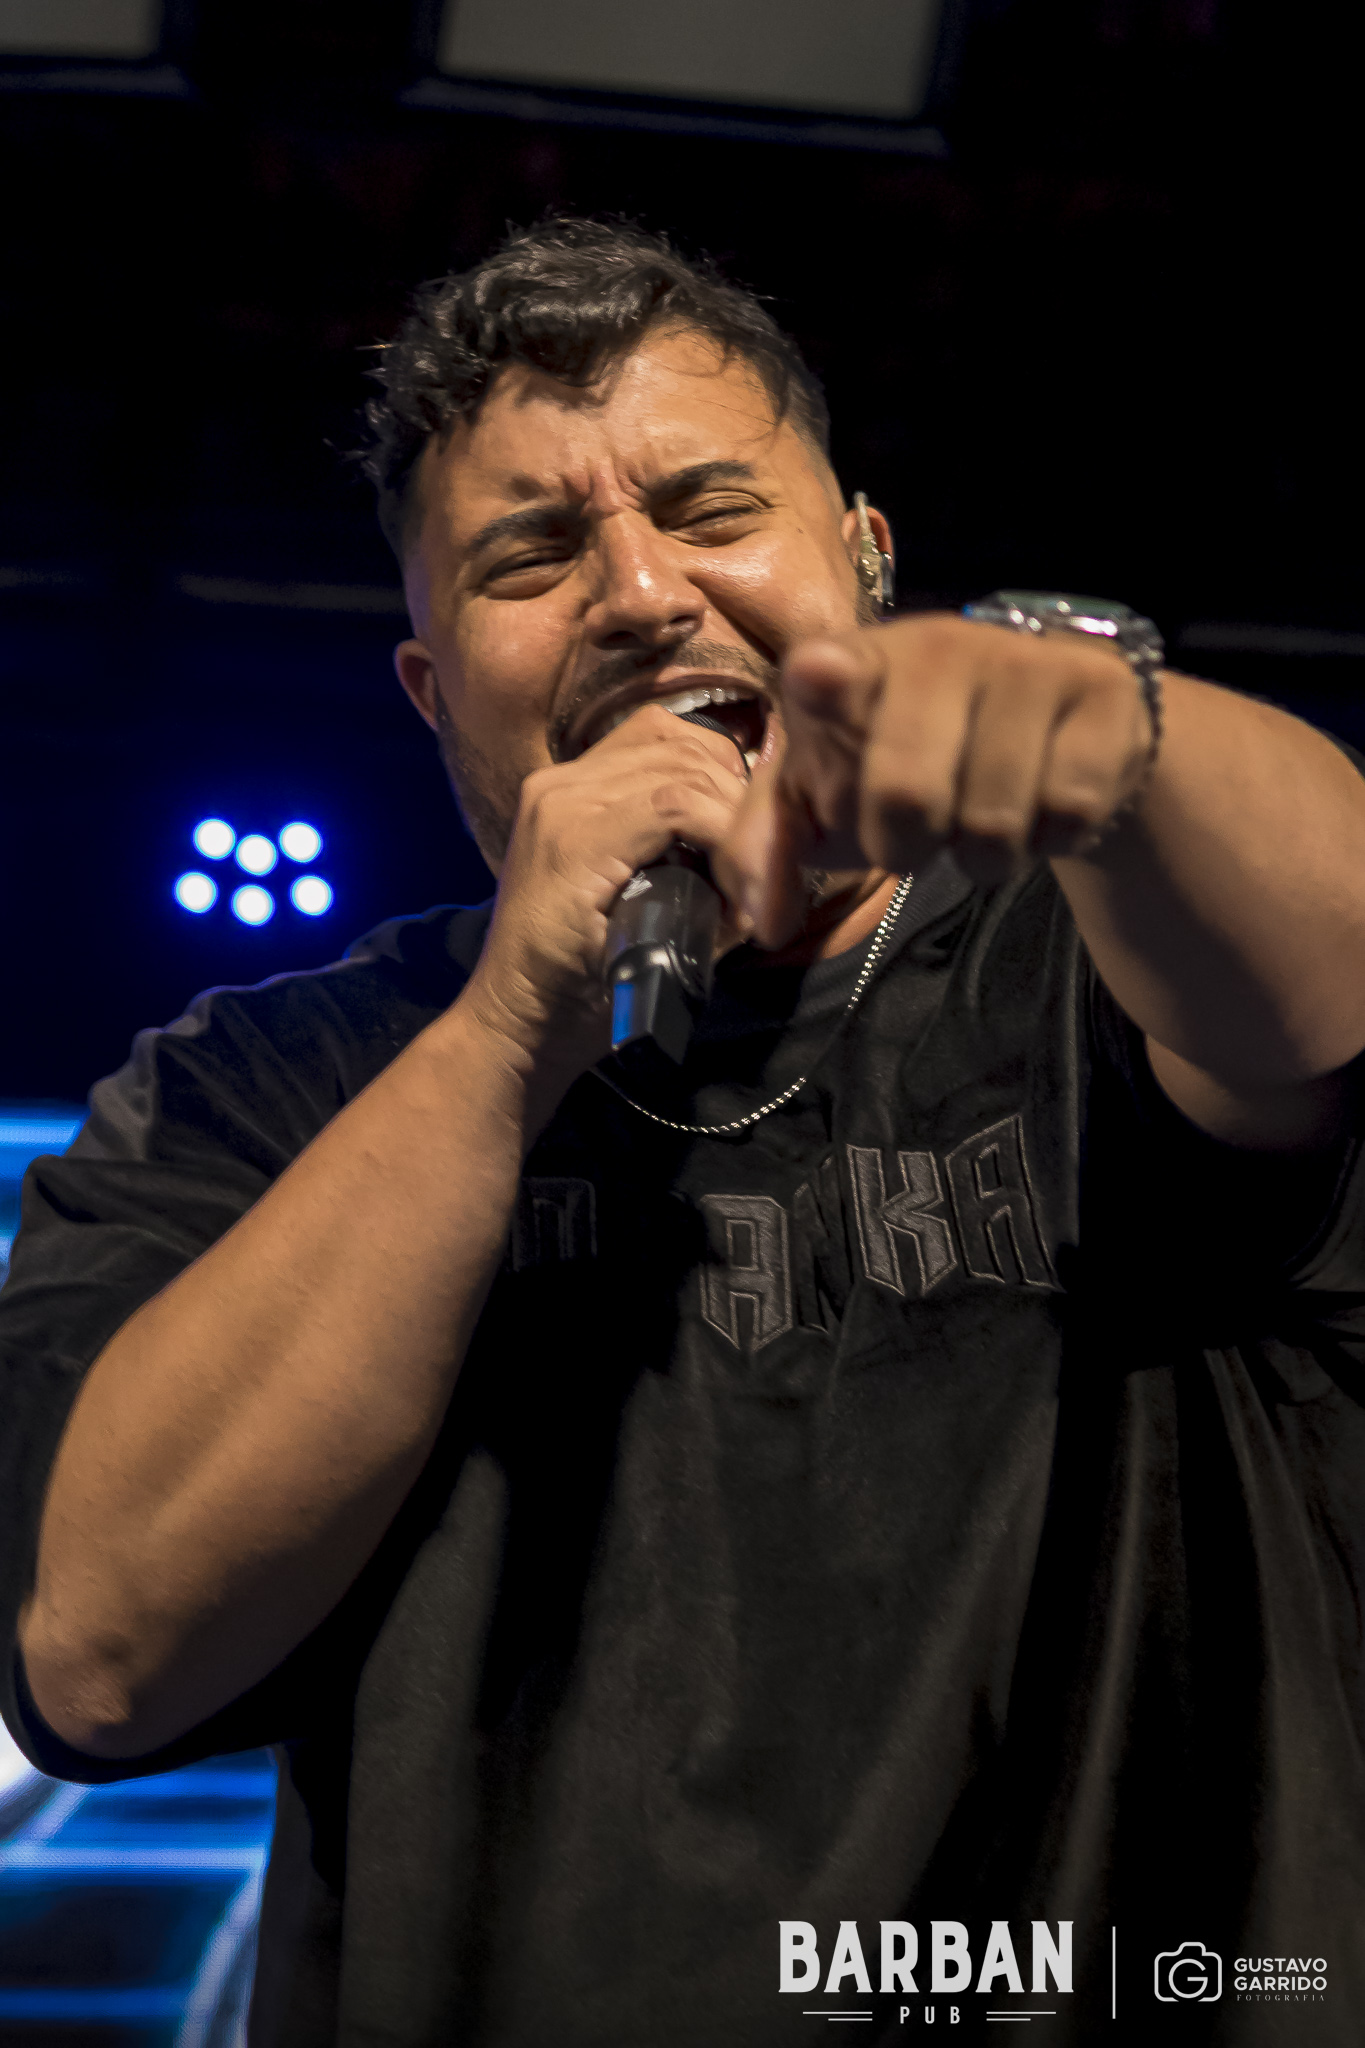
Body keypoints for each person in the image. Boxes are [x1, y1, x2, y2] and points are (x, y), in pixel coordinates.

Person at [3, 217, 1365, 2048]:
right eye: (530, 554)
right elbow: (97, 1656)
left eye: (711, 510)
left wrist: (1113, 742)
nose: (642, 594)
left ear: (865, 560)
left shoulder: (1092, 956)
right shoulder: (261, 1084)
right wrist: (512, 1029)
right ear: (431, 688)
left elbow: (1334, 966)